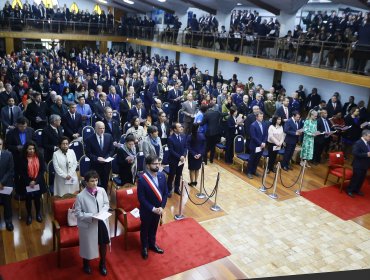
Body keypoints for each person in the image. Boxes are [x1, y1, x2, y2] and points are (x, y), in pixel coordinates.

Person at [75, 170, 110, 276]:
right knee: (88, 245)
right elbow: (78, 213)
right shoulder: (80, 196)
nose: (95, 183)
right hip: (89, 224)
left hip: (101, 221)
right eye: (92, 181)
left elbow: (106, 203)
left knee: (103, 243)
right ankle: (86, 264)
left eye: (96, 180)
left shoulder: (102, 190)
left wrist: (102, 212)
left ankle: (102, 264)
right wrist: (91, 216)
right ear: (86, 182)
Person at [137, 155, 168, 260]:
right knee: (145, 229)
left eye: (158, 163)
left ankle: (152, 244)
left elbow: (165, 193)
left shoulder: (162, 176)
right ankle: (144, 247)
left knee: (154, 228)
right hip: (147, 211)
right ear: (148, 165)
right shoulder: (142, 179)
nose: (157, 166)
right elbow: (141, 198)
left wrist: (162, 207)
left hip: (158, 210)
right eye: (155, 164)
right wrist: (152, 209)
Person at [18, 141, 47, 225]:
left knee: (37, 198)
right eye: (30, 149)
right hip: (26, 182)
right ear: (26, 149)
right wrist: (29, 181)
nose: (32, 150)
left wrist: (35, 181)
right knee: (28, 199)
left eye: (33, 148)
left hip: (38, 181)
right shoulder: (22, 157)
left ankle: (38, 213)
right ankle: (29, 215)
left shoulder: (39, 156)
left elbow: (42, 170)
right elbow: (21, 172)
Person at [84, 121, 115, 192]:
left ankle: (103, 196)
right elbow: (88, 153)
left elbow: (112, 150)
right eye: (100, 128)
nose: (102, 130)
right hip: (95, 165)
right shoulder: (89, 139)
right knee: (94, 184)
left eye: (103, 128)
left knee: (105, 182)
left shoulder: (109, 136)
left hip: (106, 165)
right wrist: (97, 158)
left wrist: (106, 157)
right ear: (95, 128)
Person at [346, 130, 370, 198]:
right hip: (358, 164)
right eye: (369, 136)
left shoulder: (368, 142)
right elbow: (355, 153)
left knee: (362, 178)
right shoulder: (358, 143)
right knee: (356, 178)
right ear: (364, 135)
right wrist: (366, 154)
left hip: (365, 164)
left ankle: (356, 189)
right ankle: (349, 190)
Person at [167, 123, 187, 197]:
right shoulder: (170, 138)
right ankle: (168, 189)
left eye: (181, 126)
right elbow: (171, 151)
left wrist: (184, 155)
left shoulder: (183, 136)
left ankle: (176, 188)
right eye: (179, 127)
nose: (181, 128)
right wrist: (179, 157)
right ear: (175, 129)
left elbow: (185, 147)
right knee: (171, 175)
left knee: (179, 174)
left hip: (181, 160)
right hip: (173, 160)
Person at [246, 112, 268, 179]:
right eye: (260, 116)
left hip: (261, 146)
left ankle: (254, 171)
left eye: (262, 116)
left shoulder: (264, 124)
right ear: (256, 117)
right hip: (255, 146)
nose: (261, 117)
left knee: (257, 159)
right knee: (252, 159)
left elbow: (266, 134)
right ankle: (249, 172)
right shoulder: (253, 125)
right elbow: (253, 136)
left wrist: (264, 142)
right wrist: (260, 143)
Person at [0, 137, 15, 231]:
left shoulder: (8, 154)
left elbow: (10, 170)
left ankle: (8, 221)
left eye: (0, 144)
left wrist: (2, 182)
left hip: (5, 184)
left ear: (2, 145)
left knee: (7, 204)